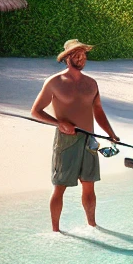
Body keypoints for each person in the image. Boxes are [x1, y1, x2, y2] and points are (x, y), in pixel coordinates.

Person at [30, 39, 117, 233]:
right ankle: (55, 232)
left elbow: (99, 112)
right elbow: (36, 111)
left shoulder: (91, 83)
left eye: (84, 55)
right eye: (77, 55)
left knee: (89, 186)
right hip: (66, 141)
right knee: (60, 186)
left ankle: (93, 227)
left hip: (89, 140)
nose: (82, 58)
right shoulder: (54, 82)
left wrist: (111, 134)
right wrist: (58, 123)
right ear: (67, 57)